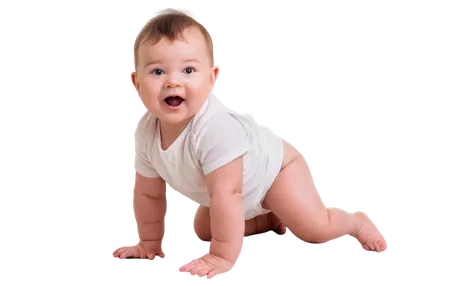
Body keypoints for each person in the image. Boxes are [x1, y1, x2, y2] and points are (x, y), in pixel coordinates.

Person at [112, 7, 389, 281]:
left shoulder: (215, 129)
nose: (173, 81)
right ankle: (268, 218)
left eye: (188, 70)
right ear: (135, 83)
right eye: (158, 71)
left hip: (276, 174)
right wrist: (149, 244)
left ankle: (355, 221)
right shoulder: (147, 131)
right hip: (233, 193)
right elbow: (149, 193)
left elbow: (228, 194)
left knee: (314, 229)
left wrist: (220, 255)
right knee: (204, 229)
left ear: (212, 78)